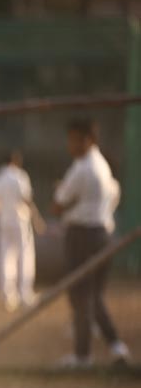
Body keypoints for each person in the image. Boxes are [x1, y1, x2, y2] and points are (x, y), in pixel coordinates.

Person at [53, 118, 129, 368]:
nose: (71, 144)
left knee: (80, 296)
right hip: (102, 234)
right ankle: (117, 346)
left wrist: (62, 199)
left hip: (83, 235)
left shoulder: (83, 167)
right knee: (94, 297)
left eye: (76, 139)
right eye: (70, 139)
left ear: (89, 139)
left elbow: (58, 205)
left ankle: (83, 355)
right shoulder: (102, 164)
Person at [0, 150, 43, 312]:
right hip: (20, 220)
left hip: (3, 222)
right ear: (16, 160)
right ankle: (25, 294)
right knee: (25, 256)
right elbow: (26, 199)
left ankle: (7, 295)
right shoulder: (20, 176)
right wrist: (37, 219)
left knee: (5, 256)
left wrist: (2, 213)